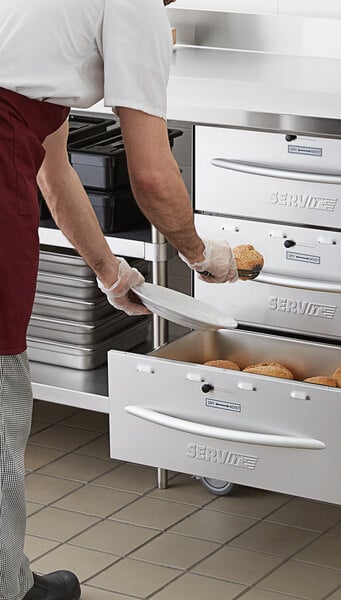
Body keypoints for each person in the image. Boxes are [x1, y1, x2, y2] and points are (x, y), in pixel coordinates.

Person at [0, 1, 239, 598]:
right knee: (1, 398)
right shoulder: (135, 7)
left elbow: (55, 170)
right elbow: (154, 177)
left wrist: (111, 272)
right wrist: (199, 254)